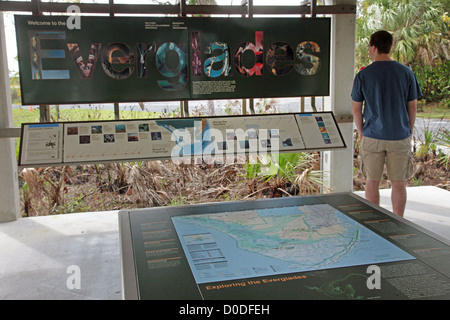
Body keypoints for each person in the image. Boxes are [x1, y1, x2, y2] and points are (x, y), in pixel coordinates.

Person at [351, 30, 422, 217]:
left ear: (373, 47)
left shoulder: (364, 75)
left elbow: (356, 109)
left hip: (372, 136)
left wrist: (361, 132)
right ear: (389, 47)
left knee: (371, 182)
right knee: (399, 183)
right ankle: (398, 221)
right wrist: (408, 129)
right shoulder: (406, 73)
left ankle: (373, 222)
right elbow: (412, 107)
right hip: (399, 135)